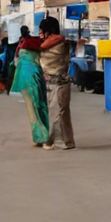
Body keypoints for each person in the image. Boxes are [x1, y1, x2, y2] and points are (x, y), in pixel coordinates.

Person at [37, 17, 74, 150]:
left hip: (59, 83)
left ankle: (58, 141)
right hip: (51, 83)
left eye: (42, 30)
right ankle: (63, 141)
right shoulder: (48, 41)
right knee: (57, 113)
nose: (40, 33)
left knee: (58, 113)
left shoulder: (57, 40)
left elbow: (43, 45)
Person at [11, 34, 50, 146]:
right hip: (32, 80)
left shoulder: (22, 51)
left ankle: (38, 137)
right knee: (39, 107)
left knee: (31, 110)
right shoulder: (33, 62)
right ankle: (43, 138)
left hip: (23, 82)